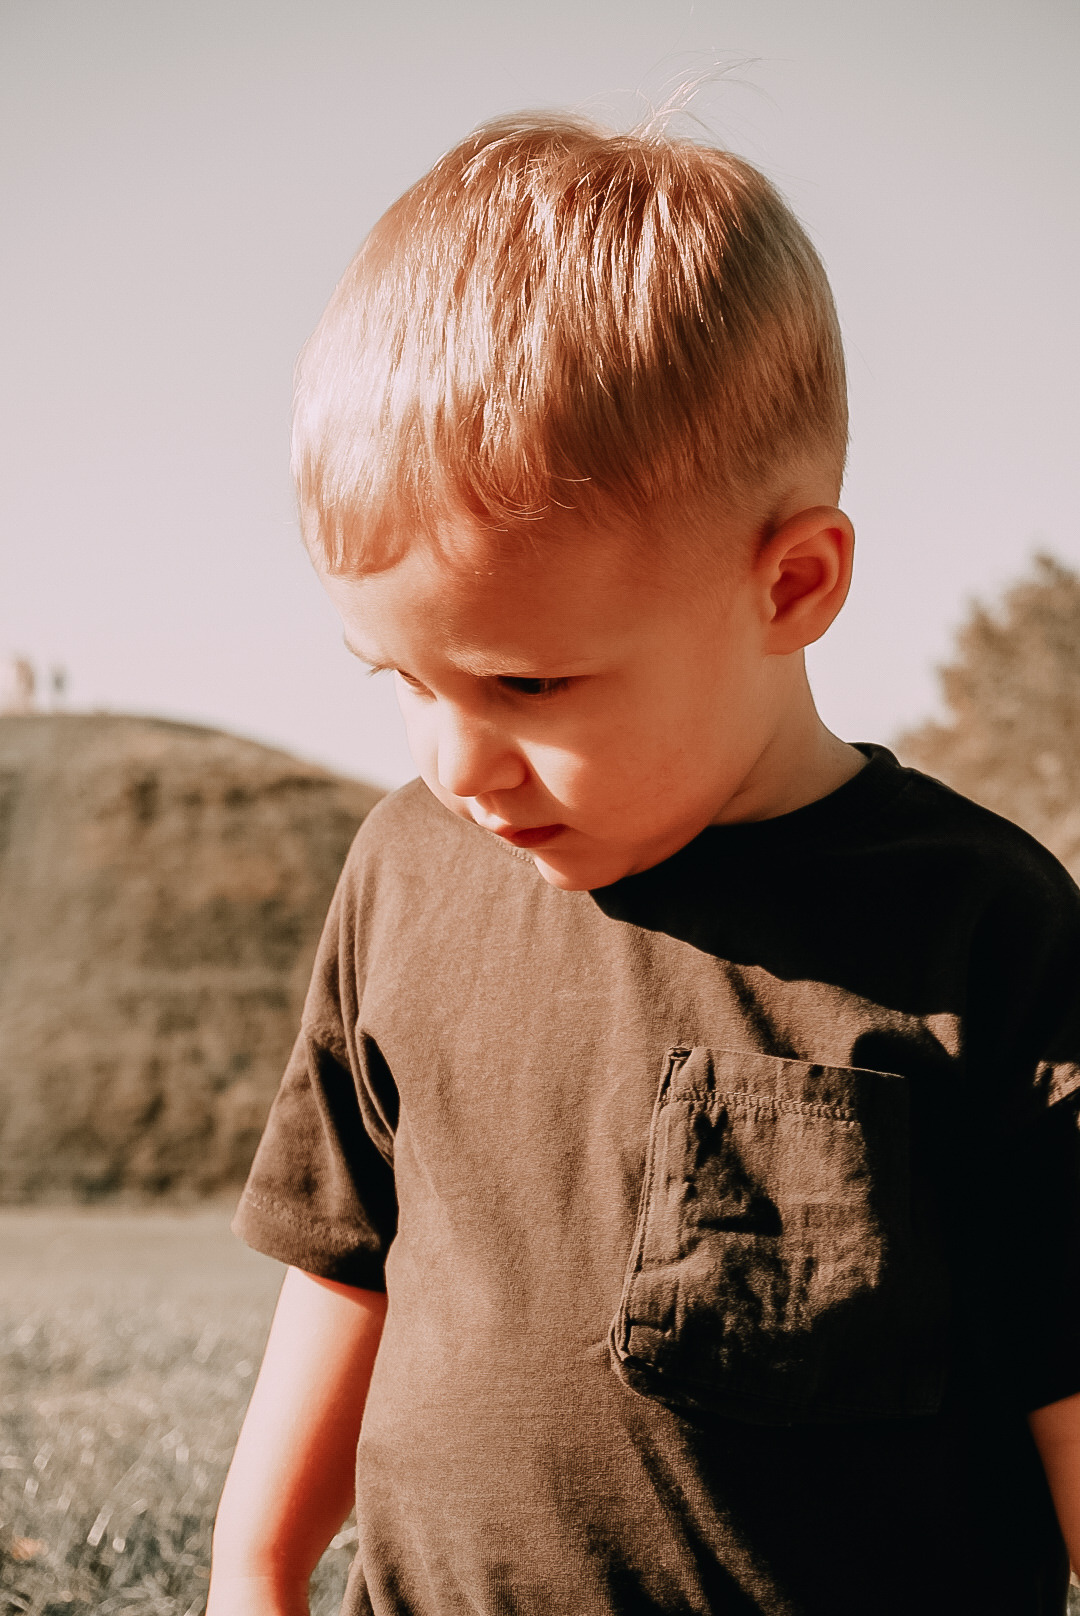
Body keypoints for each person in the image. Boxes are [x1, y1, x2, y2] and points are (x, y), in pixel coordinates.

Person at [206, 113, 1080, 1616]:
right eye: (402, 682)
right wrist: (258, 1571)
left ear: (790, 585)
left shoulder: (978, 935)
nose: (454, 766)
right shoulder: (409, 873)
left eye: (528, 688)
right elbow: (347, 1264)